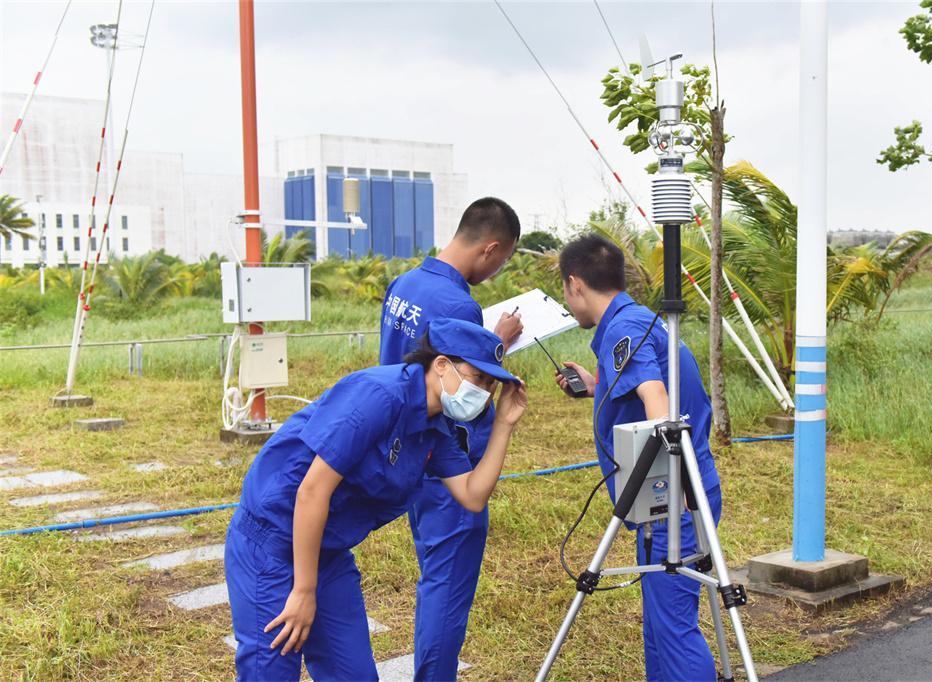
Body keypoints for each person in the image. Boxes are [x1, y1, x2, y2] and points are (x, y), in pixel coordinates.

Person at [224, 319, 527, 681]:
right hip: (271, 543)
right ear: (442, 365)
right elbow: (312, 491)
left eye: (491, 385)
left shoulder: (436, 425)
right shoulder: (379, 395)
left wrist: (504, 425)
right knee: (269, 671)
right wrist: (303, 591)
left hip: (327, 551)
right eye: (478, 378)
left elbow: (472, 495)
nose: (484, 392)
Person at [553, 234, 723, 681]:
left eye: (565, 291)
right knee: (662, 628)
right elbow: (652, 382)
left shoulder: (623, 329)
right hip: (683, 489)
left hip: (673, 498)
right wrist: (597, 386)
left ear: (575, 284)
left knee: (674, 631)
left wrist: (674, 489)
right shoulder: (641, 319)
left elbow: (656, 397)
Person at [378, 197, 523, 680]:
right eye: (502, 261)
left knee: (434, 573)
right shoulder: (459, 304)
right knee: (446, 586)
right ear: (491, 248)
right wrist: (496, 344)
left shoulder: (404, 284)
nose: (496, 271)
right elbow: (464, 392)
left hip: (409, 451)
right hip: (449, 460)